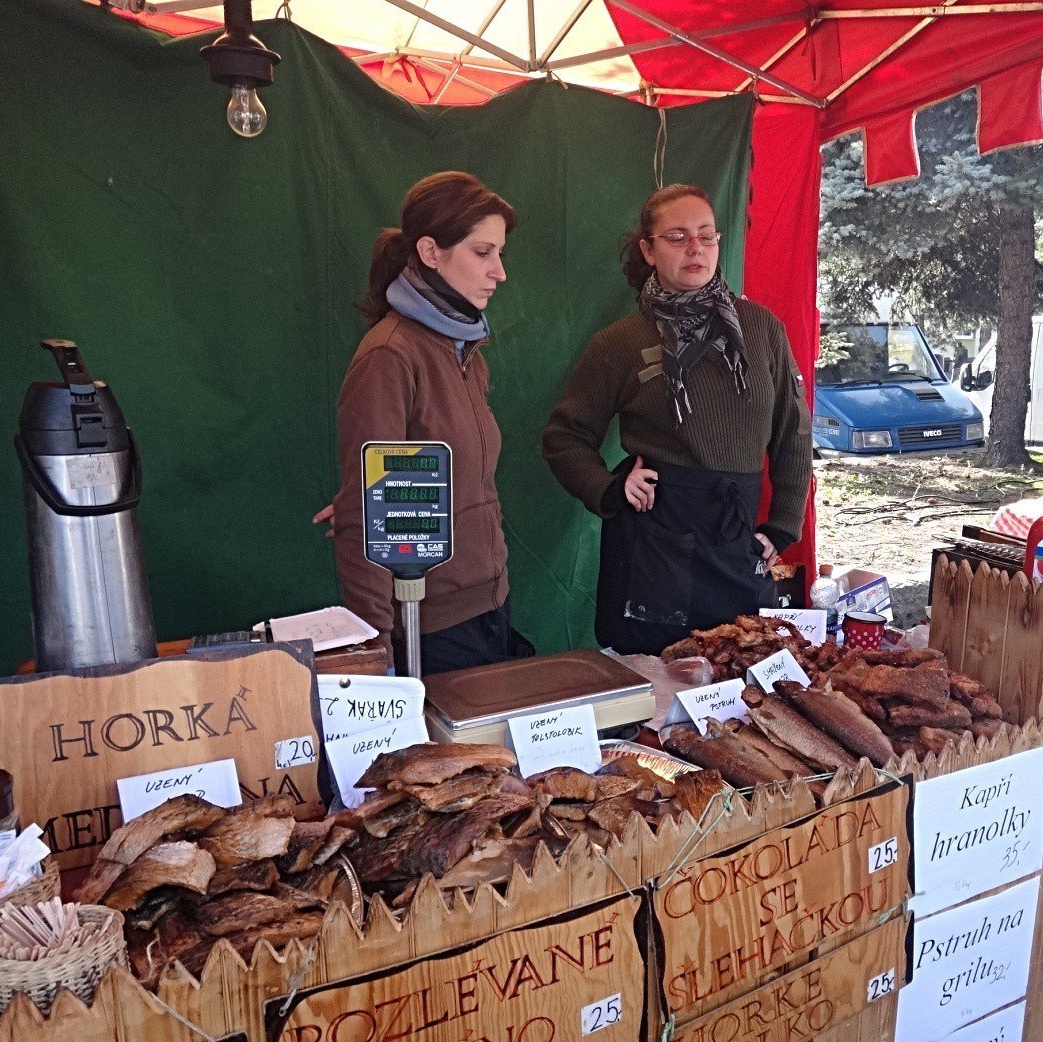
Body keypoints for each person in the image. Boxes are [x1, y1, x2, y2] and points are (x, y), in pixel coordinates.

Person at [543, 183, 812, 655]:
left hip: (735, 537)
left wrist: (783, 524)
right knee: (656, 676)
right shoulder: (619, 343)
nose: (696, 248)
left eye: (707, 236)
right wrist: (608, 487)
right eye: (677, 237)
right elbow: (565, 436)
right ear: (648, 250)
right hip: (653, 546)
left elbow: (794, 431)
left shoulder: (761, 327)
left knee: (739, 663)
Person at [332, 171, 530, 674]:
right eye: (483, 253)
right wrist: (376, 652)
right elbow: (364, 514)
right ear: (429, 251)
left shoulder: (465, 353)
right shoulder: (390, 356)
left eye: (500, 253)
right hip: (427, 626)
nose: (499, 272)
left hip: (489, 605)